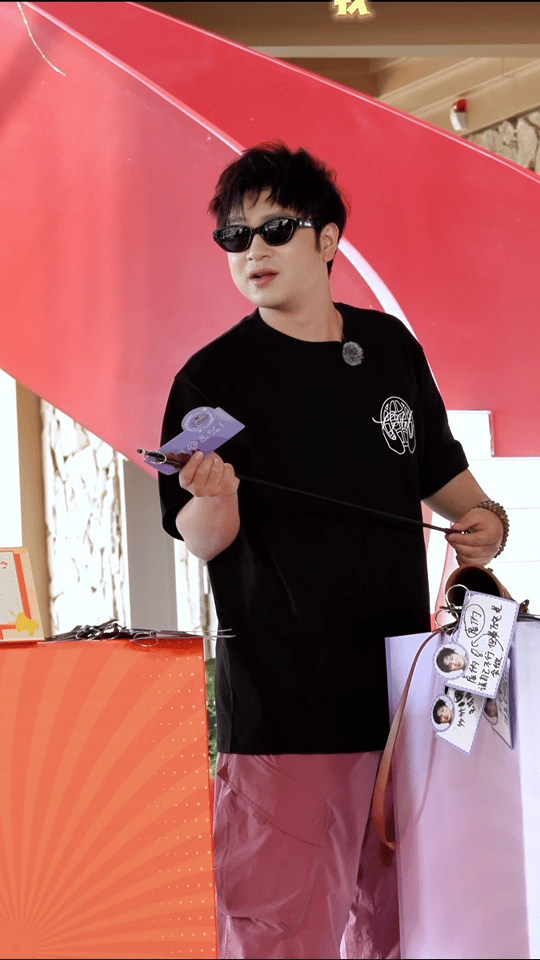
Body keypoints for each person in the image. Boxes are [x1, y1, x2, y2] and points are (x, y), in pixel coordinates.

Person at [158, 142, 506, 959]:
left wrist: (486, 521)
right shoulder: (212, 379)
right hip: (287, 714)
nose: (254, 251)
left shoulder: (389, 350)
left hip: (408, 708)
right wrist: (215, 495)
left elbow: (447, 481)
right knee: (280, 939)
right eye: (235, 237)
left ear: (327, 240)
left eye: (275, 230)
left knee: (408, 933)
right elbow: (200, 536)